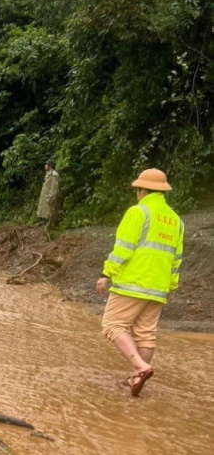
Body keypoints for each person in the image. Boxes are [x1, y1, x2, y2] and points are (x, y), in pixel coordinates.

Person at [95, 168, 184, 397]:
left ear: (142, 190)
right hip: (159, 286)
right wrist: (170, 284)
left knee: (113, 325)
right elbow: (176, 258)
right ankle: (137, 378)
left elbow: (124, 247)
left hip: (133, 282)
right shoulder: (176, 221)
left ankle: (139, 366)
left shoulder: (138, 212)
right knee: (145, 333)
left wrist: (107, 272)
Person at [37, 159, 60, 228]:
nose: (45, 166)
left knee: (49, 210)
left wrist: (50, 197)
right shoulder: (48, 174)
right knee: (44, 209)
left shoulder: (54, 175)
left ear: (50, 166)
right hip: (45, 195)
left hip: (49, 196)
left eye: (46, 165)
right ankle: (44, 222)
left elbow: (54, 188)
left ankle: (50, 225)